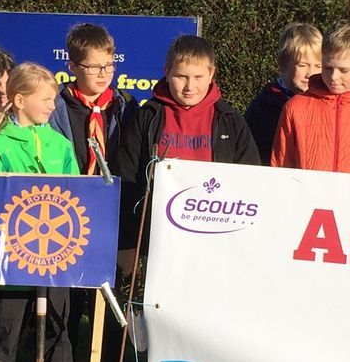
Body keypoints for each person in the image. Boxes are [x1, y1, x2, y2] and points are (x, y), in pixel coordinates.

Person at [0, 62, 78, 362]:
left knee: (57, 326)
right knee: (6, 326)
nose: (53, 106)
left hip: (56, 255)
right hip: (15, 255)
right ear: (19, 100)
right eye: (47, 99)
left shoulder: (60, 145)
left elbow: (76, 195)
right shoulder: (1, 145)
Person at [112, 34, 261, 225]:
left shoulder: (229, 120)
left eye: (198, 77)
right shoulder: (148, 116)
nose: (190, 86)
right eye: (181, 77)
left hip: (213, 226)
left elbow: (250, 179)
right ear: (166, 72)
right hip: (157, 228)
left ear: (211, 74)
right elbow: (127, 177)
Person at [268, 21, 350, 175]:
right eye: (327, 68)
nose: (334, 77)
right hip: (307, 198)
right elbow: (280, 168)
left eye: (344, 70)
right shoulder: (295, 108)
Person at [47, 22, 133, 175]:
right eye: (94, 67)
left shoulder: (125, 106)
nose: (103, 74)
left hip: (113, 193)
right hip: (67, 191)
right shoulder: (53, 104)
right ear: (72, 67)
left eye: (109, 65)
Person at [245, 22, 322, 162]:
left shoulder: (325, 105)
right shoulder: (262, 108)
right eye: (303, 65)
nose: (310, 74)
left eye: (318, 66)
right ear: (283, 63)